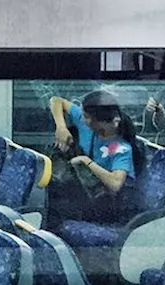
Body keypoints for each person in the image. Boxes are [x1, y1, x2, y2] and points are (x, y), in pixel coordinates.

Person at [45, 89, 146, 229]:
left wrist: (87, 162)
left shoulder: (121, 148)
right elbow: (56, 100)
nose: (82, 118)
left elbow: (115, 183)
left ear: (101, 122)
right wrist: (61, 127)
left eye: (86, 116)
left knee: (58, 210)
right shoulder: (87, 124)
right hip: (84, 189)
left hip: (106, 204)